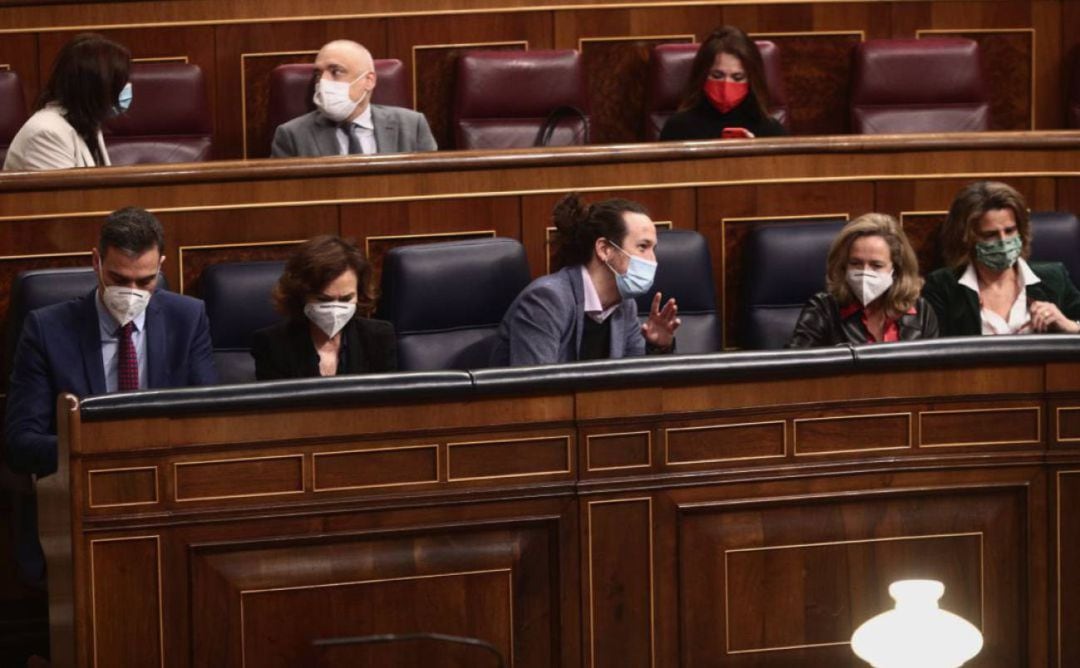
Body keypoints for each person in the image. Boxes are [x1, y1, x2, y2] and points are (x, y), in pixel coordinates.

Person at [3, 206, 216, 588]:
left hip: (168, 499)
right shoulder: (47, 329)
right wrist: (105, 451)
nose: (132, 293)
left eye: (146, 281)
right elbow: (20, 442)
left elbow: (207, 423)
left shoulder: (189, 318)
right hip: (82, 503)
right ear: (96, 262)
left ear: (162, 266)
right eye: (119, 278)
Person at [491, 193, 680, 366]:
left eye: (653, 249)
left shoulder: (625, 305)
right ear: (604, 249)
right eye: (642, 247)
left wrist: (658, 347)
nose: (653, 260)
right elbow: (536, 392)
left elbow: (635, 387)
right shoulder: (546, 300)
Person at [923, 181, 1080, 336]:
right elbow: (935, 351)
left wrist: (1070, 326)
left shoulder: (1054, 278)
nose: (1003, 241)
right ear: (966, 238)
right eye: (990, 235)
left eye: (1010, 231)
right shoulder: (942, 287)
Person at [251, 235, 397, 379]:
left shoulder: (378, 338)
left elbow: (387, 399)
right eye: (323, 299)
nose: (335, 309)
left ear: (360, 293)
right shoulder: (272, 345)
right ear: (300, 295)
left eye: (346, 299)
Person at [789, 213, 938, 347]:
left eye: (876, 265)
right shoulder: (824, 309)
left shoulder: (921, 311)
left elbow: (935, 370)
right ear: (844, 265)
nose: (865, 272)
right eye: (855, 263)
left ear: (897, 269)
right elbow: (793, 366)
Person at [271, 40, 437, 157]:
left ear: (369, 81)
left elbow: (430, 188)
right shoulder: (291, 135)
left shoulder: (412, 125)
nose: (323, 82)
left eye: (336, 72)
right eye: (318, 74)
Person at [3, 33, 131, 171]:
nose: (127, 87)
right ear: (95, 88)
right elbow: (67, 193)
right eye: (120, 83)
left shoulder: (87, 124)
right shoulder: (46, 134)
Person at [659, 26, 786, 141]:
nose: (726, 85)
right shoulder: (678, 127)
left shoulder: (771, 131)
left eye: (738, 77)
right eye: (717, 76)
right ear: (702, 75)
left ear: (752, 80)